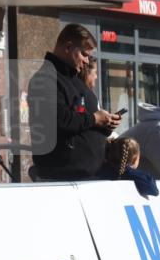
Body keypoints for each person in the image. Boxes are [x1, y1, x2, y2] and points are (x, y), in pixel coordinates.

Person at [28, 23, 121, 180]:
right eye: (84, 54)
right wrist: (95, 118)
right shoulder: (45, 79)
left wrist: (105, 125)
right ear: (68, 47)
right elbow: (58, 120)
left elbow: (82, 122)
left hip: (88, 175)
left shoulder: (74, 80)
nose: (87, 61)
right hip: (62, 179)